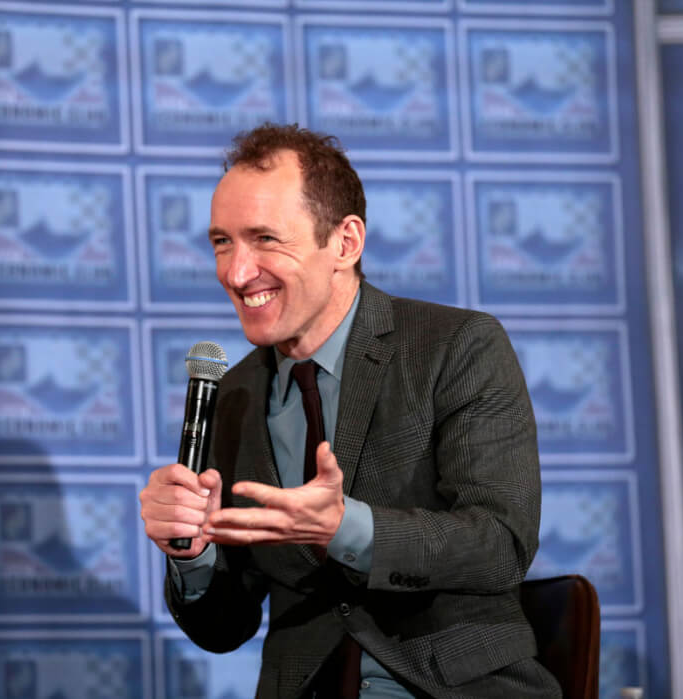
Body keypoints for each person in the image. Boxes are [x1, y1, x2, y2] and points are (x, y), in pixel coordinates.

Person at [139, 123, 560, 698]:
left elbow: (500, 544)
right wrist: (193, 552)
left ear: (345, 243)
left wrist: (346, 529)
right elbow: (222, 628)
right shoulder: (232, 394)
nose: (236, 273)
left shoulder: (455, 346)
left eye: (264, 239)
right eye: (221, 242)